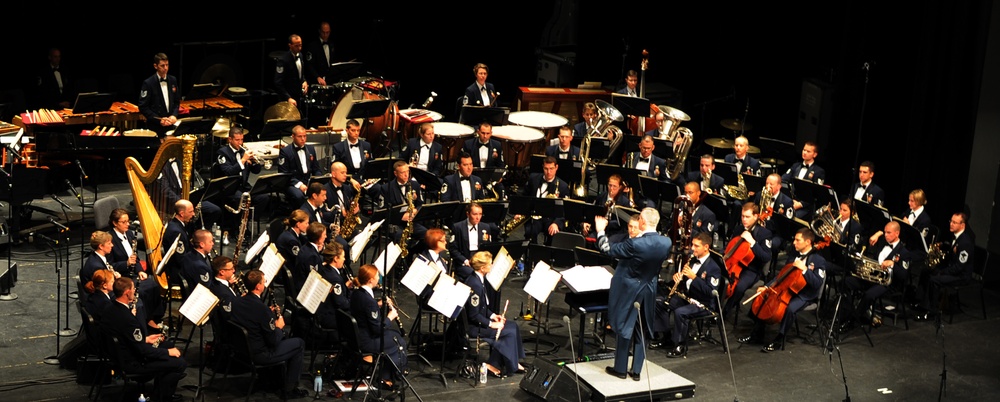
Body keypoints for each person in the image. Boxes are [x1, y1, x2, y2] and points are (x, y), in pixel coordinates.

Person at [594, 208, 672, 380]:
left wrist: (600, 230)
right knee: (642, 329)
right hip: (649, 289)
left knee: (624, 326)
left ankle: (620, 369)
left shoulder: (636, 244)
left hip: (630, 289)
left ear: (642, 221)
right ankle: (636, 371)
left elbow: (607, 249)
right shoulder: (666, 242)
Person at [740, 228, 826, 352]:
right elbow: (781, 275)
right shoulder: (794, 255)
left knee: (790, 308)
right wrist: (767, 286)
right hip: (789, 289)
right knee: (764, 296)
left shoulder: (818, 260)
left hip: (805, 294)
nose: (794, 243)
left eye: (797, 240)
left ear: (808, 242)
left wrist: (805, 270)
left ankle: (779, 339)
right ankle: (756, 335)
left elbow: (817, 283)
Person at [100, 277, 186, 402]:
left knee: (167, 344)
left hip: (117, 354)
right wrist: (168, 353)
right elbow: (143, 351)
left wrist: (145, 339)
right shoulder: (128, 319)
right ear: (127, 293)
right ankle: (161, 397)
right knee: (179, 363)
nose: (135, 291)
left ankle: (161, 390)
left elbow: (125, 336)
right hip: (132, 362)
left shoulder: (109, 309)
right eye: (133, 289)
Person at [229, 269, 309, 398]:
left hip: (241, 350)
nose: (265, 283)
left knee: (286, 338)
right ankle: (289, 389)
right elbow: (273, 341)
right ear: (258, 286)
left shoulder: (237, 301)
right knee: (299, 343)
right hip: (260, 354)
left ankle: (273, 378)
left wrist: (269, 316)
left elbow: (253, 319)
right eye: (263, 281)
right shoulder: (262, 309)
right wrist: (278, 327)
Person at [464, 251, 526, 377]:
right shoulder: (475, 285)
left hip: (482, 321)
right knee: (507, 332)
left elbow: (483, 307)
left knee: (513, 326)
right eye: (490, 264)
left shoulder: (479, 280)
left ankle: (513, 360)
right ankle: (495, 364)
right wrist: (491, 324)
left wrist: (493, 316)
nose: (492, 266)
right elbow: (474, 315)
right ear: (482, 268)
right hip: (475, 327)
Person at [840, 221, 911, 332]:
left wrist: (893, 264)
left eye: (889, 233)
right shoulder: (882, 242)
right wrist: (878, 234)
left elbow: (903, 275)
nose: (885, 235)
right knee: (845, 282)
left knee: (868, 295)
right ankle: (851, 312)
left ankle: (852, 320)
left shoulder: (904, 252)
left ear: (897, 234)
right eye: (884, 232)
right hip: (872, 278)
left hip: (887, 284)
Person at [661, 233, 721, 358]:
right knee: (662, 303)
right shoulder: (693, 260)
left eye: (696, 246)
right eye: (692, 245)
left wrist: (694, 278)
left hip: (704, 304)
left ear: (706, 247)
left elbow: (710, 292)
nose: (692, 248)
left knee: (680, 312)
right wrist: (678, 278)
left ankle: (680, 345)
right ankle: (666, 337)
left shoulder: (713, 268)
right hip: (689, 298)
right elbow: (686, 281)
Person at [349, 264, 409, 386]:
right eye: (377, 276)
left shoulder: (356, 293)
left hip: (356, 337)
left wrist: (378, 304)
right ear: (371, 280)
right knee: (398, 340)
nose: (379, 278)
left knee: (393, 334)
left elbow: (365, 309)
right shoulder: (369, 301)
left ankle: (385, 376)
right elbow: (377, 330)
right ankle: (397, 374)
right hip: (367, 342)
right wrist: (390, 317)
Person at [915, 212, 975, 321]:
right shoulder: (956, 236)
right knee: (926, 271)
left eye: (954, 222)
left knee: (935, 280)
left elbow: (959, 267)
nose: (951, 224)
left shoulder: (965, 242)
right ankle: (921, 302)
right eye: (951, 221)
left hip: (961, 276)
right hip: (954, 270)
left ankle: (931, 311)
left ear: (962, 225)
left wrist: (943, 272)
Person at [720, 202, 773, 317]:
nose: (744, 220)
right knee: (719, 277)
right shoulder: (739, 229)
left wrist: (753, 243)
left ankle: (724, 312)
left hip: (752, 269)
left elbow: (766, 257)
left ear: (756, 216)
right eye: (742, 216)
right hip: (734, 264)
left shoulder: (764, 234)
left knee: (739, 287)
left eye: (747, 217)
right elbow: (730, 246)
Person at [213, 126, 270, 232]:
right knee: (240, 199)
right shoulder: (222, 153)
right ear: (230, 139)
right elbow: (228, 172)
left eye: (242, 140)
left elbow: (256, 171)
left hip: (243, 186)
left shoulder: (244, 151)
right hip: (229, 187)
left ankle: (246, 221)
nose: (240, 142)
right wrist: (243, 160)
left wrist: (254, 162)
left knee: (263, 197)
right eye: (237, 140)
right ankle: (236, 228)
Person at [366, 161, 426, 246]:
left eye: (407, 171)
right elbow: (383, 210)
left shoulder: (415, 185)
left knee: (426, 235)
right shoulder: (386, 188)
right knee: (401, 237)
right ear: (395, 173)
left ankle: (412, 253)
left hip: (412, 221)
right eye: (402, 172)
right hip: (394, 222)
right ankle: (402, 258)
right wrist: (401, 216)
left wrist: (416, 210)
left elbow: (420, 204)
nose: (406, 175)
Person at [157, 157, 221, 231]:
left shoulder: (180, 161)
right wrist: (182, 202)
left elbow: (188, 181)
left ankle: (198, 232)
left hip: (188, 196)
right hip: (174, 200)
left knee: (215, 210)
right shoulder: (161, 165)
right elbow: (165, 190)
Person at [520, 156, 569, 244]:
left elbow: (564, 209)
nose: (548, 172)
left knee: (554, 234)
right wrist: (520, 211)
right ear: (543, 167)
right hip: (534, 217)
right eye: (546, 169)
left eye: (551, 168)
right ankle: (532, 253)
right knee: (530, 231)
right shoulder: (533, 178)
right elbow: (524, 197)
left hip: (551, 219)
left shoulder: (563, 186)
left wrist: (556, 223)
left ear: (556, 167)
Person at [273, 34, 324, 111]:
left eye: (300, 45)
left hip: (297, 96)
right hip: (287, 98)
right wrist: (288, 98)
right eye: (296, 46)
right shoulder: (283, 60)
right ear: (290, 45)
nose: (299, 48)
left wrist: (304, 81)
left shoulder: (300, 55)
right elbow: (278, 83)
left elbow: (301, 74)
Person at [278, 125, 323, 208]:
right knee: (299, 195)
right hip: (292, 183)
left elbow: (316, 169)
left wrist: (319, 180)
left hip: (308, 182)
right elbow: (284, 173)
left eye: (304, 136)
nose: (303, 139)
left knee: (323, 190)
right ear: (293, 136)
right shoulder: (285, 151)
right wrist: (299, 184)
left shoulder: (311, 149)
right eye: (300, 136)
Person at [137, 53, 180, 139]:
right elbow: (143, 107)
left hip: (170, 125)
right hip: (155, 127)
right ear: (155, 66)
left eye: (167, 65)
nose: (166, 68)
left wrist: (174, 115)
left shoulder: (173, 80)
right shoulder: (148, 83)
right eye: (162, 65)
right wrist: (159, 120)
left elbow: (176, 101)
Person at [449, 202, 500, 275]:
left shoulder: (485, 227)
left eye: (480, 214)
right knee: (473, 274)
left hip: (480, 259)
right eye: (475, 214)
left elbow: (488, 247)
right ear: (468, 214)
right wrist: (465, 260)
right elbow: (453, 249)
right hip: (465, 259)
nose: (478, 217)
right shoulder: (458, 227)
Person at [584, 174, 635, 242]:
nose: (611, 188)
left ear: (620, 187)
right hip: (600, 228)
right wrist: (588, 223)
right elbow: (595, 212)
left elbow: (623, 223)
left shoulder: (624, 202)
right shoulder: (602, 196)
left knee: (608, 242)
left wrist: (607, 223)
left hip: (616, 232)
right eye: (610, 185)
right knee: (589, 239)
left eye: (614, 186)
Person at [316, 242, 351, 330]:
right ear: (336, 258)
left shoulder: (324, 268)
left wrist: (345, 287)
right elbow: (341, 304)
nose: (344, 259)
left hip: (320, 311)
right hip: (330, 317)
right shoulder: (335, 278)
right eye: (343, 256)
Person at [275, 210, 309, 287]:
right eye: (306, 223)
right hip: (286, 274)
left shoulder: (291, 232)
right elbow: (299, 260)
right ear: (298, 224)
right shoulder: (291, 240)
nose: (308, 225)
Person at [163, 200, 195, 282]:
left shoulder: (178, 224)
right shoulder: (176, 231)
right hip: (178, 272)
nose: (193, 214)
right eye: (190, 212)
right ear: (181, 213)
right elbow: (181, 259)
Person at [292, 222, 326, 294]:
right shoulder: (312, 257)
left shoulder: (306, 246)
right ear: (318, 238)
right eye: (324, 235)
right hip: (306, 292)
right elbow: (314, 279)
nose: (326, 236)